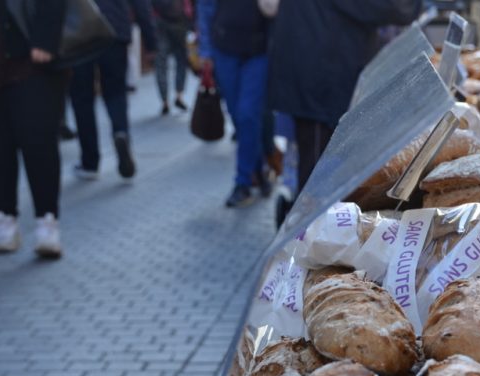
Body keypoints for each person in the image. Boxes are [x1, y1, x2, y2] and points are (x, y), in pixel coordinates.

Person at [267, 0, 423, 224]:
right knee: (317, 175)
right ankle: (307, 239)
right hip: (319, 78)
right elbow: (390, 8)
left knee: (318, 168)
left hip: (319, 71)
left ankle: (311, 232)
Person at [0, 0, 66, 257]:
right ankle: (4, 217)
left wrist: (46, 40)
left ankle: (47, 220)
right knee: (0, 146)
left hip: (31, 60)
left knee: (38, 140)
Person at [70, 0, 157, 181]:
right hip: (114, 30)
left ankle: (90, 161)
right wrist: (151, 41)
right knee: (116, 92)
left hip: (79, 33)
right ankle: (121, 132)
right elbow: (141, 5)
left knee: (82, 98)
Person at [197, 0, 272, 208]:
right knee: (238, 116)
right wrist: (205, 51)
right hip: (225, 50)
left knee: (248, 114)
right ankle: (257, 167)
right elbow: (205, 7)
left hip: (259, 50)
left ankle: (243, 181)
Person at [153, 0, 192, 115]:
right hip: (180, 22)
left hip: (159, 21)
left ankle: (164, 101)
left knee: (160, 62)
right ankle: (179, 95)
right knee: (181, 60)